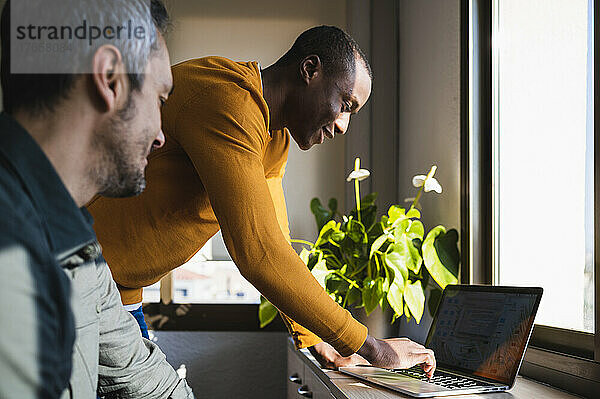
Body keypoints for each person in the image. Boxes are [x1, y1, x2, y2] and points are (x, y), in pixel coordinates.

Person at [88, 26, 436, 375]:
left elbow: (276, 238)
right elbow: (258, 252)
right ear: (310, 70)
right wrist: (373, 347)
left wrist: (315, 339)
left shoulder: (275, 137)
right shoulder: (228, 101)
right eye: (344, 105)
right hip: (71, 272)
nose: (343, 125)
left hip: (119, 293)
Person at [0, 0, 193, 397]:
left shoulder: (78, 246)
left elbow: (145, 380)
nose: (160, 134)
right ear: (109, 79)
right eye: (160, 98)